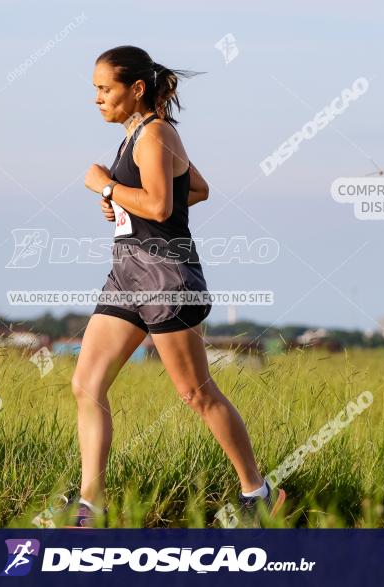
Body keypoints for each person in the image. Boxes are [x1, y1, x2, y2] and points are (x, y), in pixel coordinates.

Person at [66, 46, 285, 528]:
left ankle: (258, 492)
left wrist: (107, 188)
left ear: (136, 89)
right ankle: (89, 505)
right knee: (87, 384)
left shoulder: (156, 133)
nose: (97, 99)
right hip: (126, 275)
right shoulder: (135, 138)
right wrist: (123, 202)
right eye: (95, 90)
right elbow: (196, 188)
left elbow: (164, 208)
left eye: (105, 89)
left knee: (197, 393)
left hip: (166, 277)